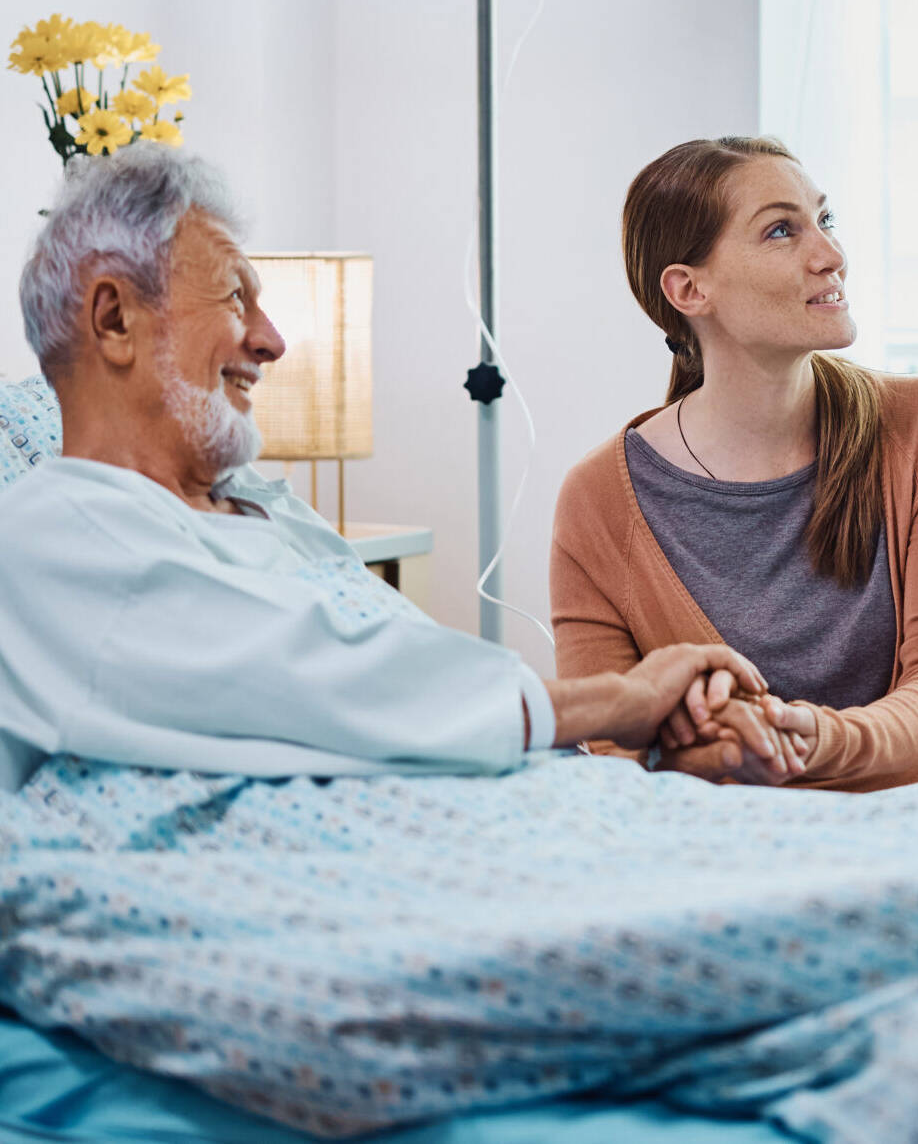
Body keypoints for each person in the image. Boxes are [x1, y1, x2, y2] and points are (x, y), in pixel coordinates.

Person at [0, 145, 766, 792]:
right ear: (114, 318)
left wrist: (659, 746)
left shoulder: (269, 509)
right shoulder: (51, 533)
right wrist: (617, 700)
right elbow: (303, 680)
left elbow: (411, 670)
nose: (272, 341)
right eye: (237, 295)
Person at [551, 135, 918, 791]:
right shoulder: (598, 498)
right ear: (689, 289)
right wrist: (726, 754)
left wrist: (801, 739)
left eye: (825, 220)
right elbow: (617, 747)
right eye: (782, 230)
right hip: (720, 849)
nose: (831, 255)